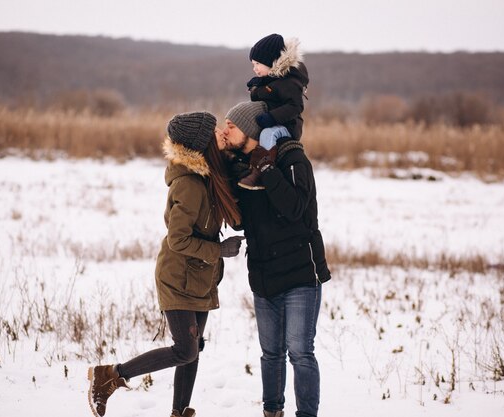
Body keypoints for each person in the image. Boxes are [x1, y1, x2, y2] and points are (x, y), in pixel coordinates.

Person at [87, 111, 245, 417]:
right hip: (178, 278)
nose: (220, 134)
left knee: (193, 350)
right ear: (201, 145)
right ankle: (110, 375)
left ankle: (180, 411)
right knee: (185, 350)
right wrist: (219, 249)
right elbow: (178, 240)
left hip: (199, 277)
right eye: (214, 132)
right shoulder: (189, 184)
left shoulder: (209, 175)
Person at [222, 101, 331, 417]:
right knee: (271, 353)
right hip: (263, 274)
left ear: (251, 129)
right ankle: (272, 411)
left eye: (231, 124)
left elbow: (295, 207)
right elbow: (240, 222)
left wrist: (267, 169)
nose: (225, 129)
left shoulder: (291, 158)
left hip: (300, 273)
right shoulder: (240, 169)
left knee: (300, 352)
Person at [238, 33, 309, 190]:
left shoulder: (290, 82)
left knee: (267, 134)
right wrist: (256, 88)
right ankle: (244, 165)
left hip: (288, 126)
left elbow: (295, 106)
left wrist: (271, 117)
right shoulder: (273, 79)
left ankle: (263, 172)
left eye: (257, 63)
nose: (254, 68)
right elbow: (264, 97)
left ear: (270, 61)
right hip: (272, 122)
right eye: (252, 64)